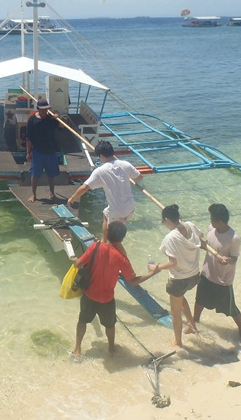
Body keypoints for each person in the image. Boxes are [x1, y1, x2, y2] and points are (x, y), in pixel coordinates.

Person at [72, 220, 159, 357]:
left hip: (89, 294)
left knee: (82, 320)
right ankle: (111, 349)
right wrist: (152, 273)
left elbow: (78, 264)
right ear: (122, 238)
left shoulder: (95, 247)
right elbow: (133, 281)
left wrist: (75, 260)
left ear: (106, 233)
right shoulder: (121, 259)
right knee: (110, 325)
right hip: (106, 299)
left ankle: (77, 349)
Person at [66, 140, 143, 243]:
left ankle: (110, 247)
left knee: (115, 240)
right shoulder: (125, 164)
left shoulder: (100, 171)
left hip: (117, 211)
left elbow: (84, 187)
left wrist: (72, 198)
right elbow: (140, 177)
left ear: (101, 156)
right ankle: (104, 241)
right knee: (106, 213)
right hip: (130, 208)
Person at [150, 204, 204, 349]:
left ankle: (178, 342)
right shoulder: (191, 225)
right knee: (180, 299)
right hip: (194, 276)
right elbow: (201, 236)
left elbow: (172, 263)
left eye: (163, 222)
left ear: (167, 220)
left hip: (179, 280)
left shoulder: (170, 238)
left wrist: (156, 267)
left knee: (175, 314)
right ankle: (192, 326)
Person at [193, 203, 241, 342]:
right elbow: (207, 245)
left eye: (212, 219)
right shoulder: (211, 228)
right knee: (199, 301)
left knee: (232, 310)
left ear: (220, 221)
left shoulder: (234, 238)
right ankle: (194, 324)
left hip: (223, 280)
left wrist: (226, 260)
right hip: (207, 274)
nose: (210, 221)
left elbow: (234, 259)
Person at [26, 98, 61, 202]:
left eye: (46, 109)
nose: (44, 111)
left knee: (51, 174)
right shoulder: (32, 120)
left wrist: (58, 118)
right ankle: (33, 194)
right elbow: (29, 138)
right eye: (42, 110)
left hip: (51, 151)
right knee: (35, 174)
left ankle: (52, 193)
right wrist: (28, 152)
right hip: (37, 151)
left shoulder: (51, 119)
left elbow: (62, 126)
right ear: (38, 109)